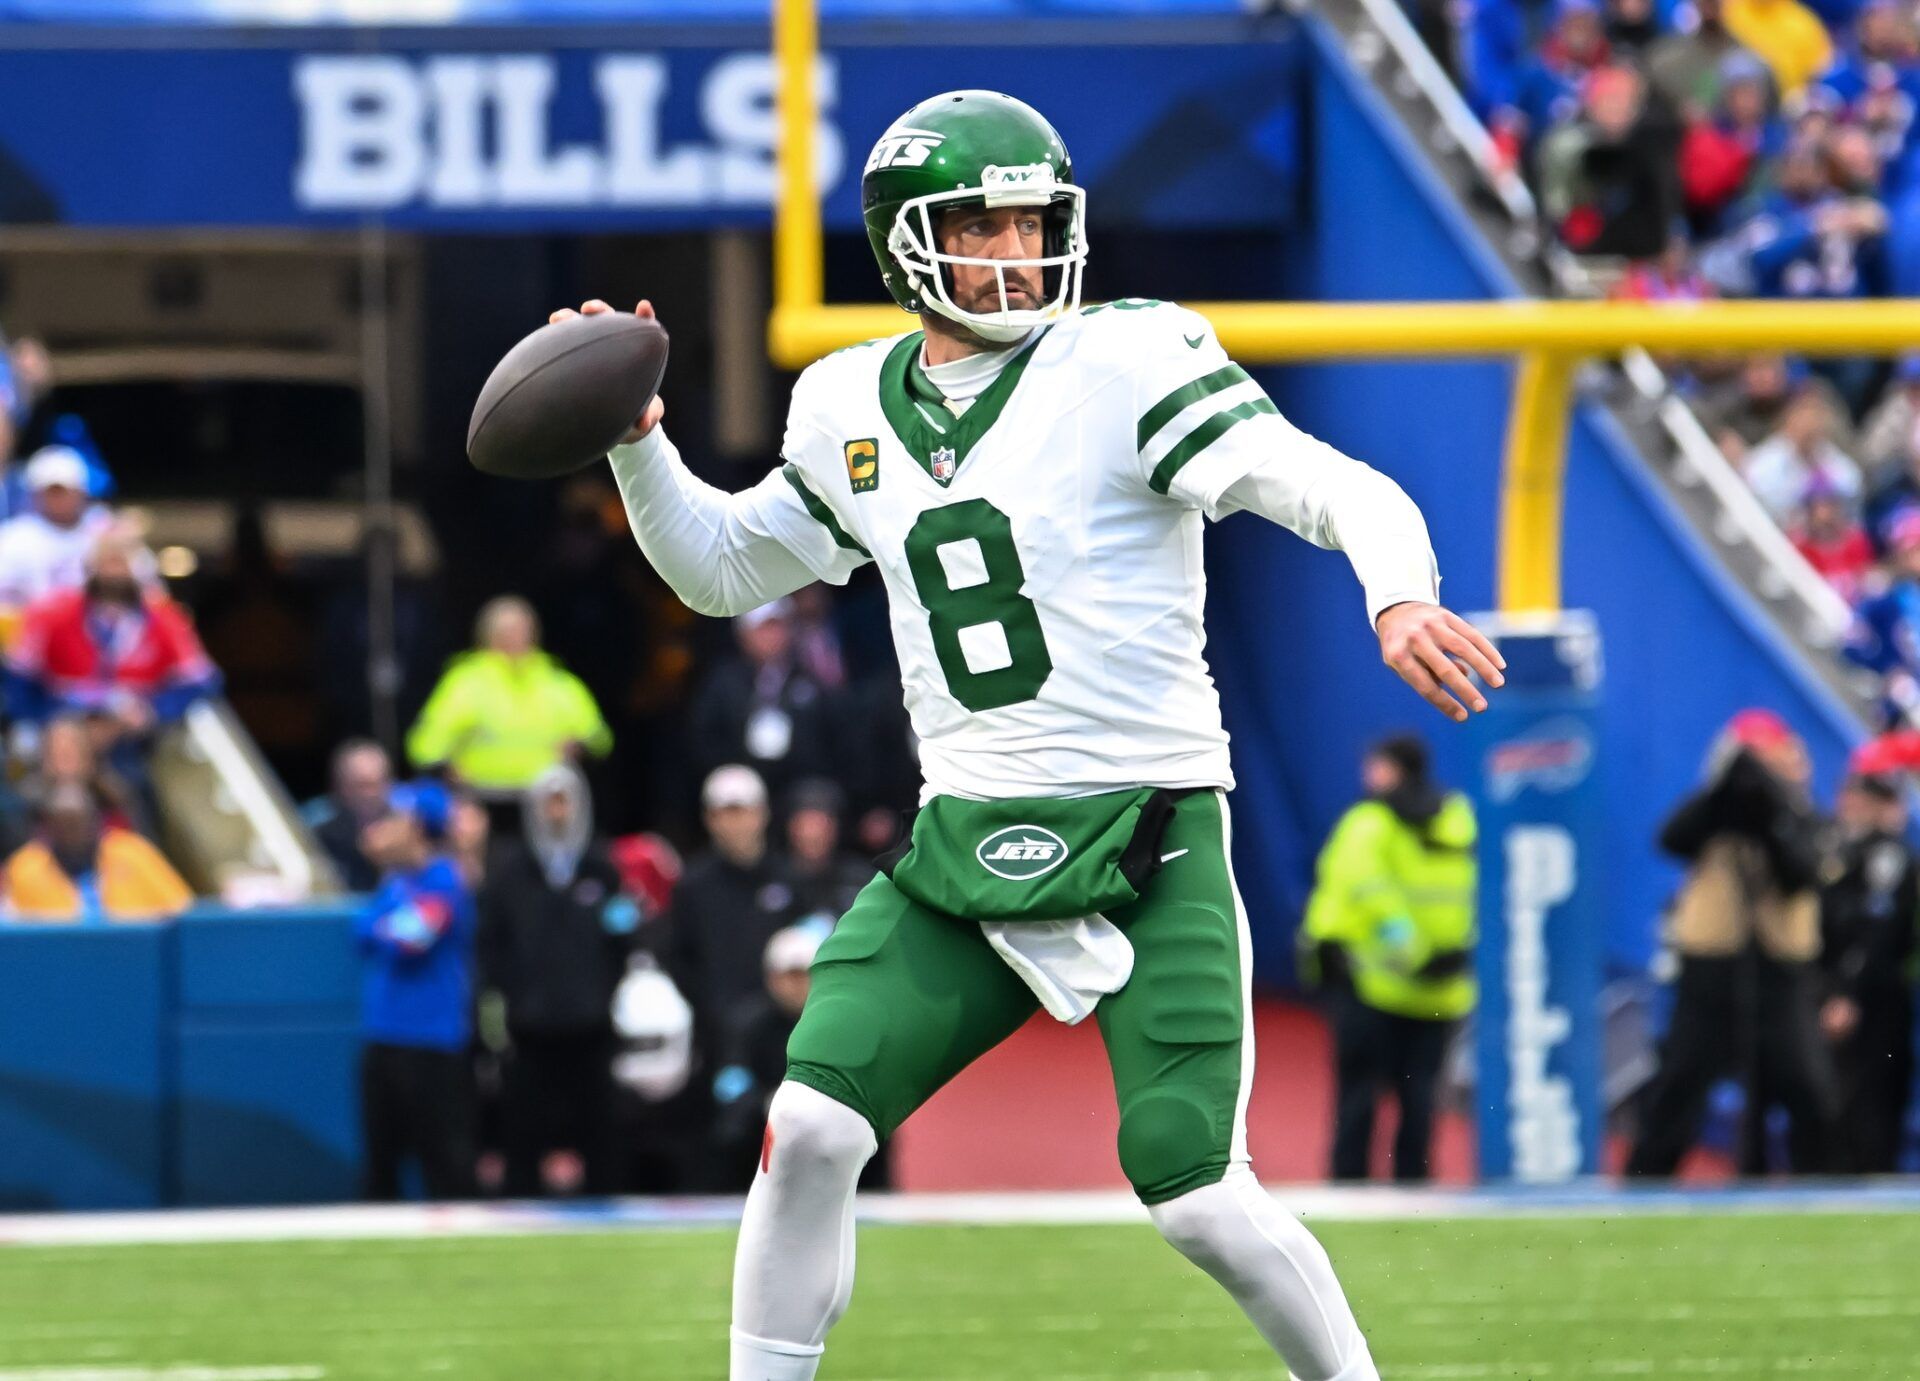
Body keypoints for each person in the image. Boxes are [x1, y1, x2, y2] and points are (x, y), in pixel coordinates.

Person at [570, 90, 1503, 1381]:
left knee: (1198, 1198)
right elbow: (723, 569)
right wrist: (636, 445)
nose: (1016, 253)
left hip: (1151, 834)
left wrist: (1397, 587)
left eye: (1032, 222)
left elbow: (1329, 481)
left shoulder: (1125, 362)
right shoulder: (847, 401)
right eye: (983, 225)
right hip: (965, 844)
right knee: (811, 1123)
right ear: (906, 244)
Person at [1626, 710, 1839, 1176]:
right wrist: (1726, 791)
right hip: (1712, 967)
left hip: (1782, 972)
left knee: (1809, 1088)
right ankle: (1645, 1184)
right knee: (1679, 1086)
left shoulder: (1803, 813)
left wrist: (1772, 806)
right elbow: (1671, 839)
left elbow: (1799, 872)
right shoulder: (1715, 814)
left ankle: (1824, 1188)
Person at [1301, 736, 1477, 1182]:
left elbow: (1364, 893)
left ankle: (1350, 1187)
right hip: (1442, 984)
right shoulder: (1459, 819)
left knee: (1358, 1095)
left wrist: (1408, 952)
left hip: (1370, 981)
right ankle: (1414, 1190)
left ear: (1391, 769)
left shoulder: (1367, 824)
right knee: (1419, 1097)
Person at [478, 763, 639, 1198]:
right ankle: (520, 1207)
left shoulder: (602, 870)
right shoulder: (508, 873)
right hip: (529, 1028)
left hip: (590, 1025)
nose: (556, 811)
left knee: (600, 1124)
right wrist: (513, 998)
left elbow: (622, 938)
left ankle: (606, 1205)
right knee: (523, 1126)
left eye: (563, 800)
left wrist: (602, 994)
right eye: (548, 801)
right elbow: (492, 944)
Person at [2, 531, 221, 808]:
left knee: (139, 788)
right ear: (90, 569)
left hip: (132, 740)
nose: (113, 576)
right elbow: (17, 680)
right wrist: (51, 723)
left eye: (122, 565)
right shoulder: (50, 613)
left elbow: (203, 681)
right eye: (107, 565)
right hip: (57, 732)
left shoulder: (165, 619)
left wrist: (152, 710)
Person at [355, 780, 480, 1201]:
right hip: (385, 1033)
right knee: (380, 1160)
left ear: (419, 828)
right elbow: (360, 935)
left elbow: (410, 939)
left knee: (444, 1160)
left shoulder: (444, 880)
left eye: (395, 819)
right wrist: (383, 927)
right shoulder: (394, 883)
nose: (384, 827)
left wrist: (382, 927)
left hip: (432, 1040)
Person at [405, 594, 614, 813]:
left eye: (522, 631)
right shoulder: (465, 682)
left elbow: (599, 739)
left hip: (546, 806)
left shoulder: (557, 682)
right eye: (507, 632)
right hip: (481, 803)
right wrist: (448, 768)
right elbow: (423, 747)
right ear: (488, 636)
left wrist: (579, 745)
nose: (516, 638)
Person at [662, 765, 798, 1099]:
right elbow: (677, 956)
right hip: (716, 1036)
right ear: (709, 819)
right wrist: (710, 1005)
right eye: (725, 813)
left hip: (783, 1039)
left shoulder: (790, 878)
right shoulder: (693, 886)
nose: (736, 824)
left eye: (743, 812)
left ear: (762, 814)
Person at [1817, 760, 1917, 1173]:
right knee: (1853, 1096)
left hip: (1873, 995)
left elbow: (1875, 931)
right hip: (1853, 990)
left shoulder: (1885, 855)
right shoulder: (1843, 848)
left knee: (1870, 1095)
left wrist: (1845, 994)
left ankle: (1867, 1177)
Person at [690, 598, 837, 804]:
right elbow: (705, 737)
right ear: (743, 635)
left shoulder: (807, 679)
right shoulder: (723, 681)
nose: (772, 636)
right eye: (763, 629)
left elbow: (827, 739)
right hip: (739, 783)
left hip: (795, 788)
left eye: (778, 626)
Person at [0, 781, 191, 923]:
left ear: (95, 822)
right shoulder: (23, 868)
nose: (71, 834)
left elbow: (181, 911)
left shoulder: (133, 852)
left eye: (78, 823)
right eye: (63, 825)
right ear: (48, 828)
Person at [0, 446, 114, 612]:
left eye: (65, 491)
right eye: (52, 492)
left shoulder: (105, 529)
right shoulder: (13, 538)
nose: (59, 499)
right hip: (34, 629)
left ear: (82, 491)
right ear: (36, 494)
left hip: (94, 631)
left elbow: (148, 594)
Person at [1742, 382, 1864, 524]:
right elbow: (1752, 492)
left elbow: (1851, 506)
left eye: (1815, 417)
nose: (1808, 424)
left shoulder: (1841, 470)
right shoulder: (1766, 460)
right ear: (1790, 418)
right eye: (1802, 415)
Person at [306, 739, 395, 893]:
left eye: (378, 784)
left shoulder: (409, 831)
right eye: (362, 785)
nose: (371, 794)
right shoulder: (318, 834)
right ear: (341, 787)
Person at [781, 778, 872, 922]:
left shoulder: (860, 879)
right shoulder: (770, 877)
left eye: (820, 823)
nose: (812, 834)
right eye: (805, 823)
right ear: (791, 827)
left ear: (835, 828)